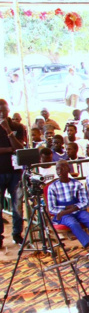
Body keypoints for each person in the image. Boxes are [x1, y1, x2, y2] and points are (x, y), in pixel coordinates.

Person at [47, 160, 89, 249]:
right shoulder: (53, 187)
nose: (59, 171)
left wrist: (72, 209)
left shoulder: (76, 184)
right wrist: (66, 208)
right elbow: (52, 208)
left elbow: (85, 202)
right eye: (57, 169)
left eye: (62, 168)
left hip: (78, 211)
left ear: (68, 169)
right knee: (73, 223)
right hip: (64, 214)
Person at [0, 99, 26, 246]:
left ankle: (17, 234)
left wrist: (8, 131)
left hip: (15, 172)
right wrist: (11, 149)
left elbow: (20, 147)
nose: (2, 114)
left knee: (17, 205)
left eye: (4, 110)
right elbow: (14, 148)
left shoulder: (17, 126)